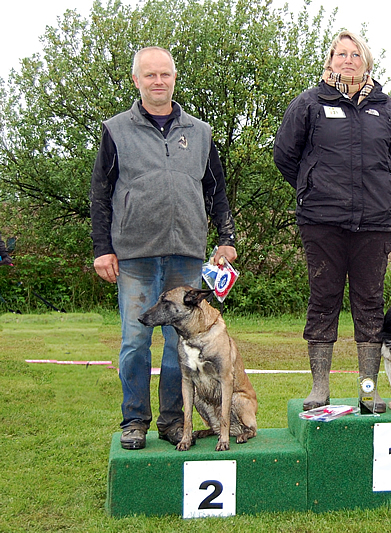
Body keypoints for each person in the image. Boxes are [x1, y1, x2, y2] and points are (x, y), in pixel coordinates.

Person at [90, 46, 237, 450]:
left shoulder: (201, 132)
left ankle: (175, 421)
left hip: (186, 253)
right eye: (150, 75)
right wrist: (102, 248)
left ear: (174, 78)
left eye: (165, 74)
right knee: (135, 341)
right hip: (135, 255)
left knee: (182, 344)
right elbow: (100, 195)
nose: (159, 81)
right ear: (136, 80)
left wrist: (227, 238)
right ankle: (134, 420)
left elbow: (216, 191)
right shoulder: (115, 129)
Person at [274, 30, 391, 413]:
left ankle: (369, 390)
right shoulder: (309, 103)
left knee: (370, 305)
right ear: (329, 61)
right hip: (322, 222)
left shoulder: (386, 108)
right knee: (323, 300)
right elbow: (285, 156)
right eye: (340, 54)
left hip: (374, 224)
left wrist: (376, 190)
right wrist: (312, 187)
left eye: (355, 54)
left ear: (366, 62)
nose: (347, 60)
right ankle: (320, 388)